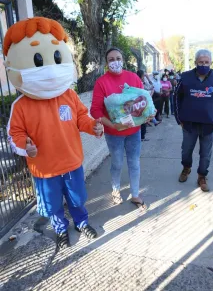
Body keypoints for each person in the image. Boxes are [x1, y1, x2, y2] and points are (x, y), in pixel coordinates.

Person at [4, 17, 104, 250]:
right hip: (45, 168)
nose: (49, 68)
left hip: (71, 161)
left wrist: (94, 127)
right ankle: (60, 228)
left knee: (78, 197)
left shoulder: (68, 95)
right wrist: (24, 146)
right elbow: (14, 134)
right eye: (39, 60)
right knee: (52, 204)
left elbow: (82, 117)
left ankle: (81, 222)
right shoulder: (20, 106)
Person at [90, 48, 146, 209]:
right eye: (111, 59)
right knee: (117, 163)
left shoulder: (133, 78)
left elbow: (144, 99)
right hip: (114, 133)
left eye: (118, 58)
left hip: (134, 131)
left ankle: (135, 194)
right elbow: (95, 110)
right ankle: (115, 190)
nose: (115, 62)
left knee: (134, 162)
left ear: (123, 60)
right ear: (107, 63)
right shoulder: (102, 82)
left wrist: (148, 114)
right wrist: (112, 125)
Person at [174, 49, 213, 192]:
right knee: (186, 150)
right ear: (195, 63)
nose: (203, 64)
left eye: (206, 62)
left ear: (211, 62)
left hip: (208, 124)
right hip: (189, 124)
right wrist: (179, 118)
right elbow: (176, 97)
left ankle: (202, 176)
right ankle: (186, 168)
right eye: (200, 62)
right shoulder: (185, 77)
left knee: (206, 153)